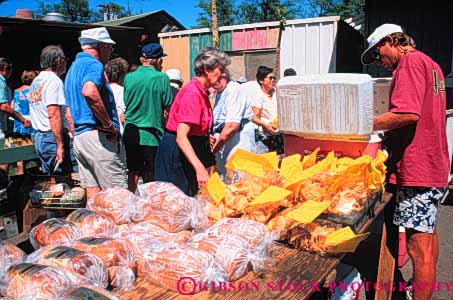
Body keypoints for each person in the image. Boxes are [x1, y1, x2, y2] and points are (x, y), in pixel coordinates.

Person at [362, 24, 450, 300]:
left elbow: (407, 113)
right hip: (433, 163)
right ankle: (420, 289)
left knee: (417, 247)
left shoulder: (409, 64)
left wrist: (362, 123)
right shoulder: (430, 63)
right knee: (428, 238)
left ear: (391, 41)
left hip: (418, 167)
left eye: (378, 54)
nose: (380, 62)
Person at [154, 47, 230, 196]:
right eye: (220, 69)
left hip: (190, 148)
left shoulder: (202, 92)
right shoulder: (192, 93)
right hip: (177, 152)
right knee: (176, 201)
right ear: (208, 70)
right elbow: (181, 137)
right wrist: (199, 168)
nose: (222, 74)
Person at [64, 27, 127, 199]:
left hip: (80, 138)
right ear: (100, 46)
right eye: (109, 46)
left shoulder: (73, 69)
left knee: (94, 195)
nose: (110, 51)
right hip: (98, 138)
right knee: (118, 198)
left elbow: (68, 113)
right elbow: (89, 91)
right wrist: (108, 124)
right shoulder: (93, 64)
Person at [123, 43, 172, 192]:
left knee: (133, 171)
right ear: (157, 60)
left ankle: (131, 203)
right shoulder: (161, 78)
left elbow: (126, 102)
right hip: (151, 134)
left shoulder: (129, 77)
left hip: (130, 132)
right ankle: (150, 207)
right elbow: (168, 108)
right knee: (150, 175)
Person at [28, 45, 77, 176]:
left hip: (40, 137)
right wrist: (60, 145)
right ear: (58, 60)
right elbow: (53, 113)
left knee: (50, 180)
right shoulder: (54, 81)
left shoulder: (36, 81)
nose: (66, 63)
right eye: (65, 59)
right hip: (52, 137)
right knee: (65, 180)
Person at [211, 71, 254, 176]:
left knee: (238, 177)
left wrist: (213, 151)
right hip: (223, 139)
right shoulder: (221, 91)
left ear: (224, 74)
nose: (213, 83)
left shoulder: (234, 89)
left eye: (217, 79)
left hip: (237, 139)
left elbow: (231, 127)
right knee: (226, 177)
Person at [0, 58, 32, 172]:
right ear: (4, 69)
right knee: (4, 155)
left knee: (9, 149)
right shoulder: (1, 81)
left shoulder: (14, 90)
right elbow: (4, 106)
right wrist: (23, 120)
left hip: (7, 125)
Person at [251, 66, 283, 154]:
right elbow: (254, 117)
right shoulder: (258, 96)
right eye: (270, 78)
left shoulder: (277, 92)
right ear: (261, 81)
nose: (273, 80)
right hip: (267, 135)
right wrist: (265, 125)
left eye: (274, 78)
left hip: (280, 133)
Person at [105, 57, 129, 134]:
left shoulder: (102, 90)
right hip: (118, 132)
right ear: (122, 74)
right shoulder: (122, 91)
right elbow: (122, 117)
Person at [12, 70, 38, 135]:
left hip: (18, 119)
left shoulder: (16, 91)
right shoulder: (32, 91)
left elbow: (12, 106)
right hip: (30, 121)